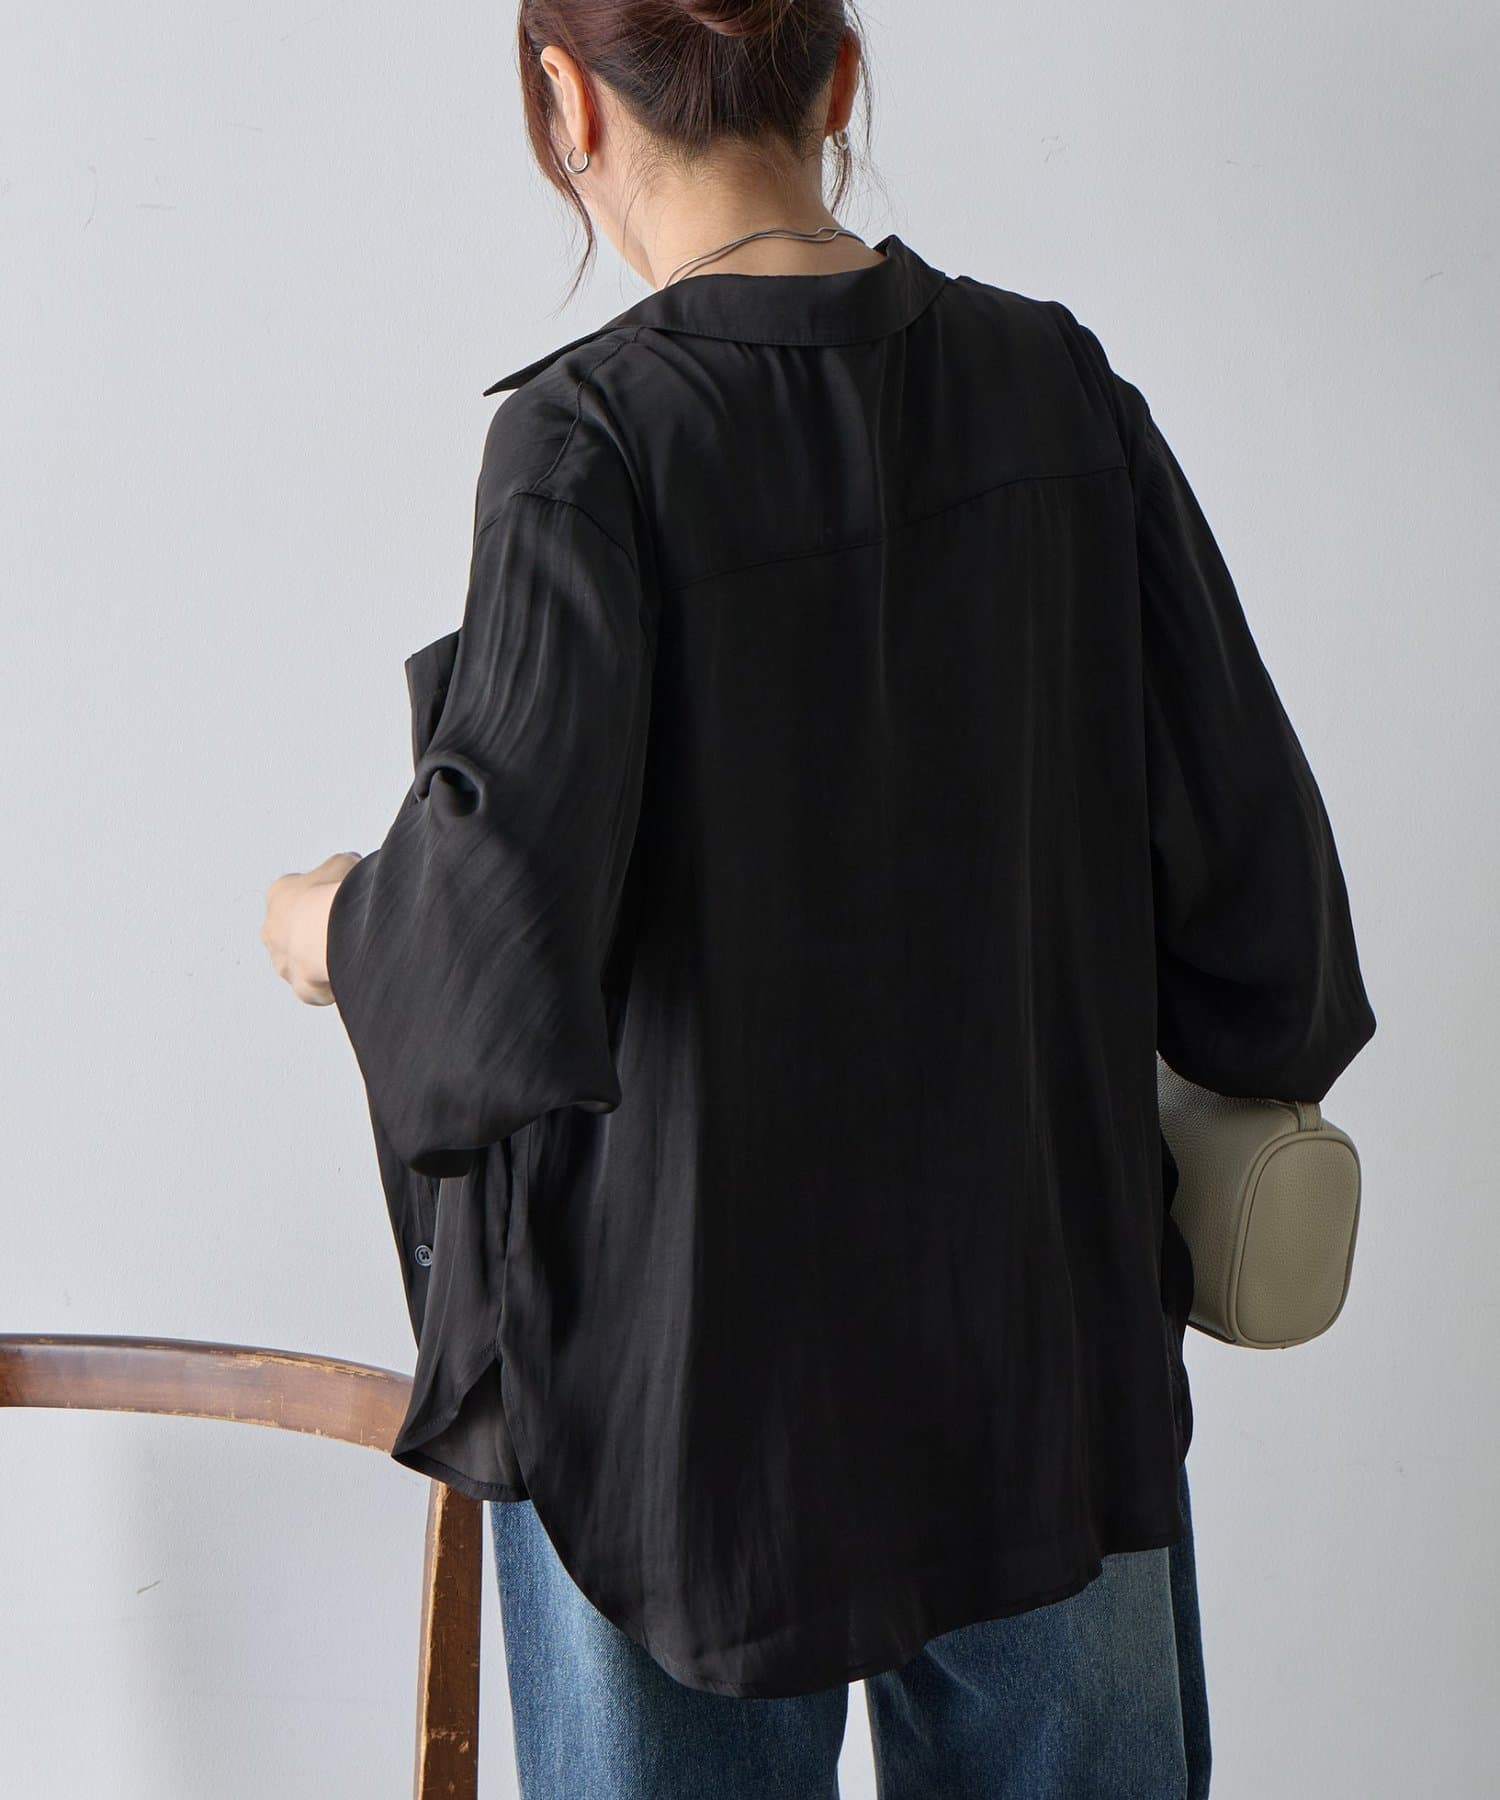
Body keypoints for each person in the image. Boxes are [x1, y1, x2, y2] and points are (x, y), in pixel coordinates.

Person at [260, 1, 1376, 1794]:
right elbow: (1269, 944)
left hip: (675, 1419)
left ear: (565, 102)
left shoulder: (590, 447)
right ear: (840, 80)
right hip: (1042, 1374)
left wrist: (324, 920)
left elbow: (482, 972)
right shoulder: (1059, 393)